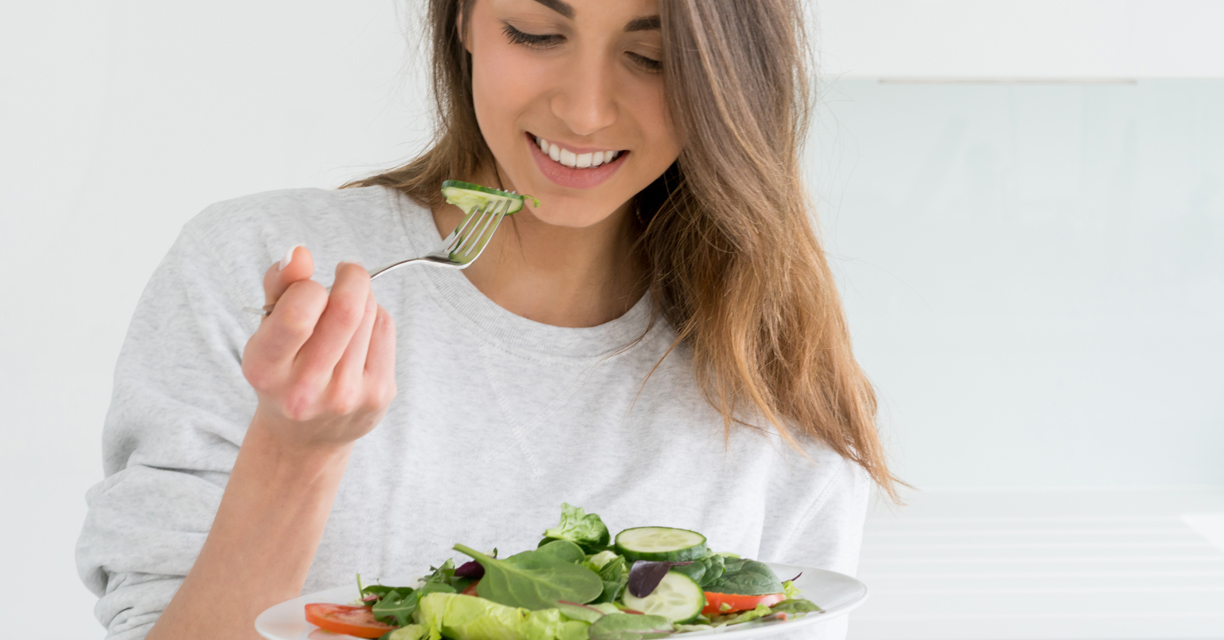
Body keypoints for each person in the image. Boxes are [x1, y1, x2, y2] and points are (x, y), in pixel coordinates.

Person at [76, 0, 899, 638]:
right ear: (466, 19)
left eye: (653, 57)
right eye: (537, 33)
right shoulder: (252, 263)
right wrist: (295, 458)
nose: (584, 111)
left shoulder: (770, 372)